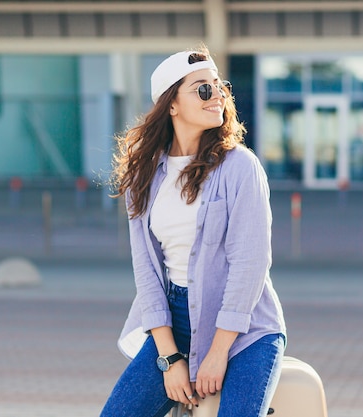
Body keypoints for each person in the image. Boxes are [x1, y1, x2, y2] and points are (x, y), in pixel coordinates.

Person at [101, 45, 286, 417]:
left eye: (221, 87)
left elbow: (250, 264)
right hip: (175, 323)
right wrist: (170, 359)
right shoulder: (144, 178)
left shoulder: (240, 168)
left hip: (247, 331)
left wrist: (217, 353)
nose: (217, 95)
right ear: (172, 104)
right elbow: (148, 274)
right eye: (203, 88)